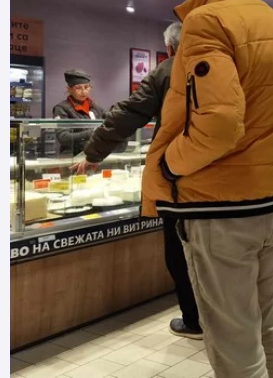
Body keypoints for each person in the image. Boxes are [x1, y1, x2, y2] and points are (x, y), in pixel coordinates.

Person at [142, 0, 273, 378]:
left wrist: (169, 165)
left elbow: (218, 124)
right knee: (271, 322)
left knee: (233, 339)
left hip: (220, 208)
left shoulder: (206, 21)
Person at [70, 23, 204, 340]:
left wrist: (93, 152)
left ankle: (195, 320)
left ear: (169, 49)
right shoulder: (223, 65)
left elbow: (127, 114)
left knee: (178, 249)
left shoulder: (167, 71)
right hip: (221, 177)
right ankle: (224, 317)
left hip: (177, 177)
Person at [52, 70, 107, 155]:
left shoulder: (95, 107)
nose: (84, 92)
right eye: (78, 88)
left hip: (94, 155)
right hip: (72, 156)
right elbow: (63, 137)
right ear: (69, 89)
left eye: (86, 87)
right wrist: (92, 132)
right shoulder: (61, 108)